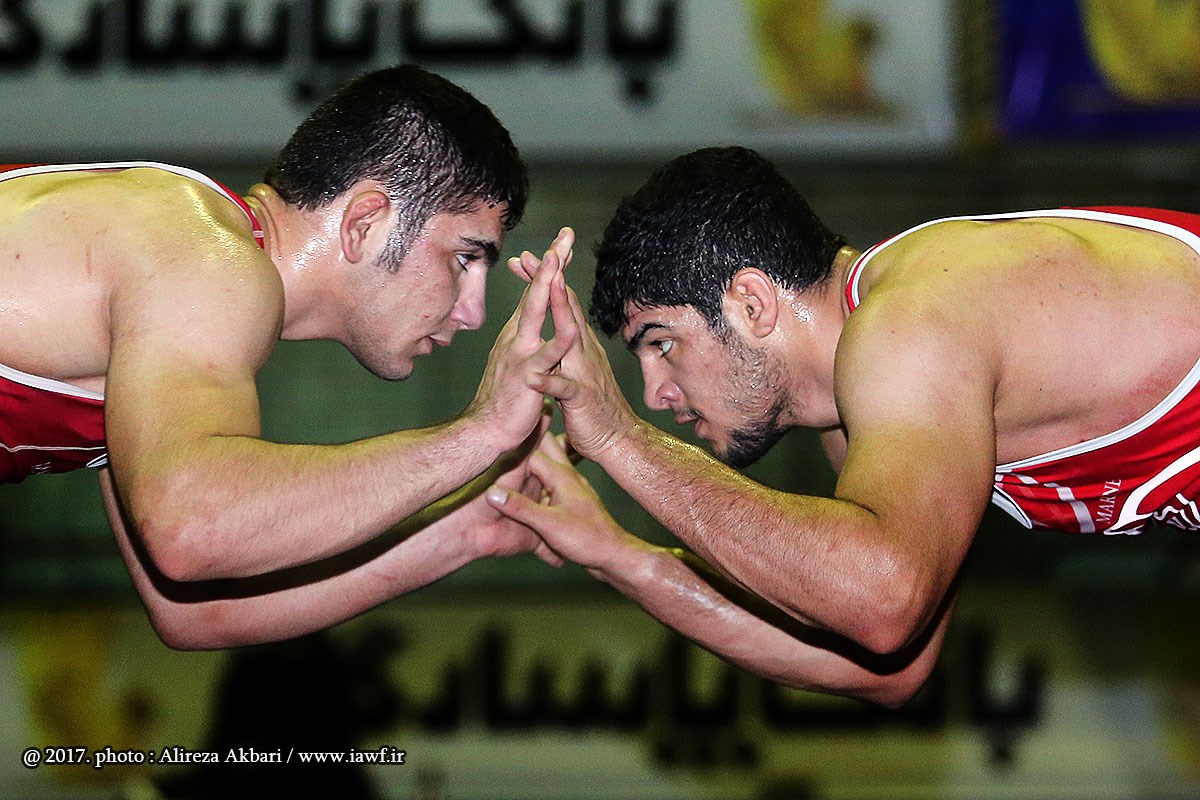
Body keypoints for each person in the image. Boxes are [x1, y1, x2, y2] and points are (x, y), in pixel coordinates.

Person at [487, 145, 1200, 708]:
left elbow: (884, 600)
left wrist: (622, 440)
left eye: (662, 343)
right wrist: (615, 554)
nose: (655, 392)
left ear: (751, 303)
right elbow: (889, 665)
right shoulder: (864, 406)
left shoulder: (910, 324)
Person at [0, 64, 579, 649]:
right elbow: (193, 527)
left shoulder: (181, 274)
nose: (472, 312)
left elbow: (195, 611)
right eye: (463, 258)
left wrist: (467, 529)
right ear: (365, 223)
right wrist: (480, 435)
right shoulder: (207, 258)